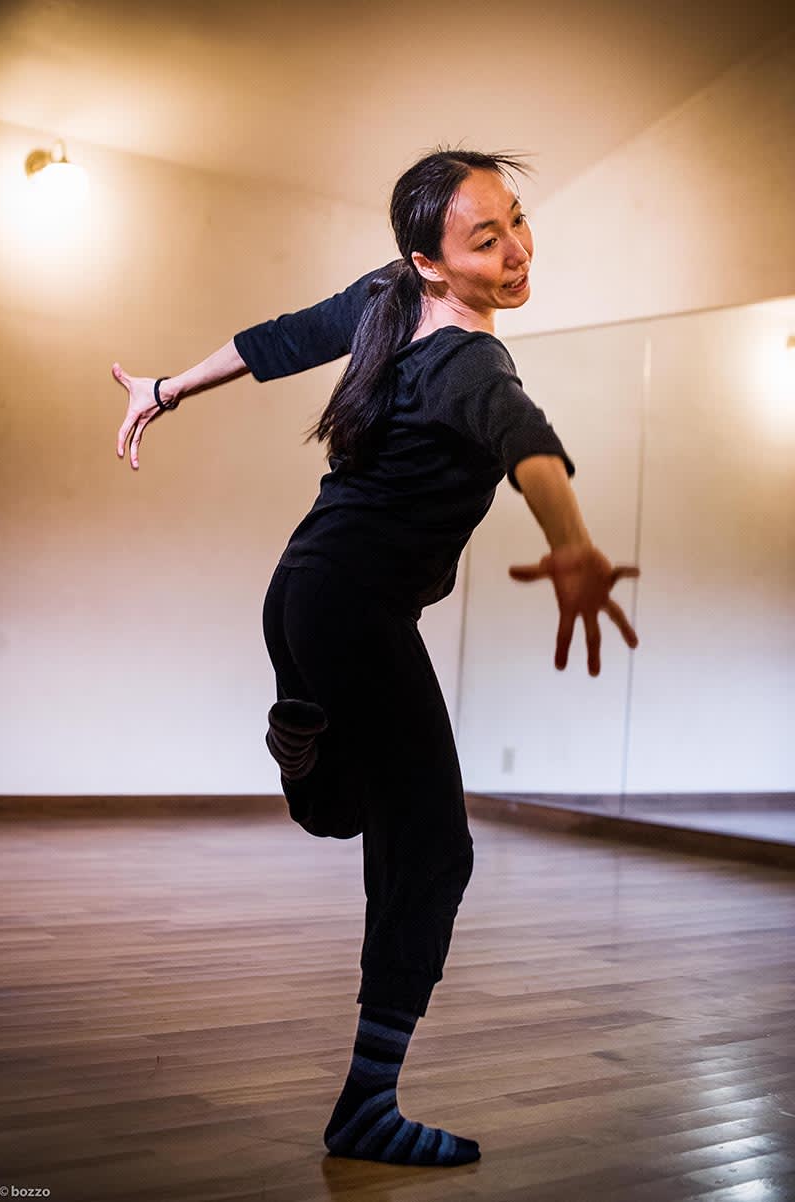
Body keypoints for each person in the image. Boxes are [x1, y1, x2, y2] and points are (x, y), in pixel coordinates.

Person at [113, 148, 639, 1168]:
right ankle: (366, 1107)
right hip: (352, 608)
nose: (517, 251)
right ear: (430, 261)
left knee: (342, 815)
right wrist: (573, 545)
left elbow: (275, 342)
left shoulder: (387, 296)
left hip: (300, 594)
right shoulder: (471, 362)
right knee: (433, 849)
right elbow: (528, 447)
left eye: (517, 221)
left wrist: (165, 388)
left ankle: (303, 747)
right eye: (485, 239)